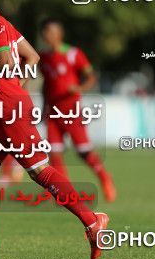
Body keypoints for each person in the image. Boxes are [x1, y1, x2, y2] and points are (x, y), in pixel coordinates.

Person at [0, 0, 109, 259]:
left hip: (8, 109)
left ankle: (92, 220)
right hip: (3, 108)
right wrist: (14, 87)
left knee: (40, 171)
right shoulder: (0, 22)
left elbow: (6, 61)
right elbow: (32, 57)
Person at [40, 19, 116, 202]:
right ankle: (64, 192)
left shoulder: (73, 54)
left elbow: (91, 76)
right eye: (45, 32)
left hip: (71, 111)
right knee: (54, 152)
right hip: (53, 112)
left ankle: (105, 178)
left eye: (50, 32)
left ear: (59, 34)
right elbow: (47, 85)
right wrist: (44, 107)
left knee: (83, 151)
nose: (47, 36)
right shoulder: (44, 57)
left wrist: (81, 88)